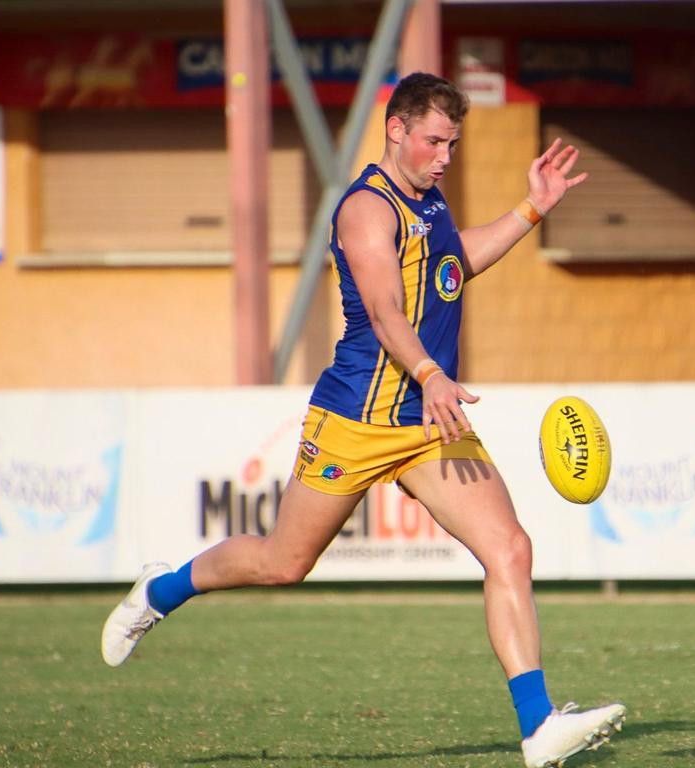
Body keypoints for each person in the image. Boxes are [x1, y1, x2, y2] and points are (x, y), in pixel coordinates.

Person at [101, 72, 625, 768]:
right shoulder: (365, 211)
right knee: (283, 563)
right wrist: (434, 372)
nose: (444, 156)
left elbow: (453, 264)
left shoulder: (429, 203)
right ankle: (160, 590)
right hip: (357, 417)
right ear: (397, 129)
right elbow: (384, 314)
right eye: (434, 141)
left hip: (427, 419)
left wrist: (531, 209)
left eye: (453, 143)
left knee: (510, 549)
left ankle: (538, 727)